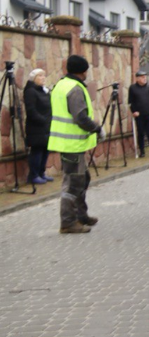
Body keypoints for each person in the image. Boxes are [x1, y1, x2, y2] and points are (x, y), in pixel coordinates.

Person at [48, 55, 104, 234]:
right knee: (73, 182)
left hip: (67, 143)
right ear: (83, 71)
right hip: (71, 144)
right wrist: (96, 128)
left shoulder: (61, 84)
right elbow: (80, 117)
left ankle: (81, 215)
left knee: (83, 178)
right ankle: (68, 222)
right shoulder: (74, 88)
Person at [23, 68, 53, 184]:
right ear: (34, 78)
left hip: (46, 126)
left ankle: (41, 173)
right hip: (36, 127)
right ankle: (34, 175)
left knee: (45, 151)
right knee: (37, 151)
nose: (43, 78)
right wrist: (43, 120)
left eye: (44, 75)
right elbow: (31, 110)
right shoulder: (31, 91)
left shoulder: (44, 91)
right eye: (40, 76)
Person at [128, 70, 149, 158]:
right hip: (139, 114)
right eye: (142, 77)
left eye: (145, 77)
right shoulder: (133, 88)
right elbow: (130, 102)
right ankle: (142, 151)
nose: (144, 79)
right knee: (140, 133)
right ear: (137, 78)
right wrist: (134, 111)